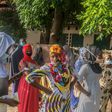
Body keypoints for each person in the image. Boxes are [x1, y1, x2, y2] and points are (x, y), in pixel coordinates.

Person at [26, 44, 78, 112]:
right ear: (50, 57)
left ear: (61, 56)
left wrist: (69, 86)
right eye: (52, 56)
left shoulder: (68, 68)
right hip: (52, 105)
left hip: (65, 105)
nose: (55, 59)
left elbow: (76, 76)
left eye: (57, 56)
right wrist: (44, 89)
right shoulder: (47, 68)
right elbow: (29, 78)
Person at [74, 45, 102, 112]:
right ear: (92, 55)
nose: (101, 57)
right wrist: (86, 93)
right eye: (99, 55)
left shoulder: (99, 67)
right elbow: (76, 83)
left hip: (96, 97)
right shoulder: (86, 67)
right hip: (87, 97)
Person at [17, 44, 40, 112]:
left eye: (30, 50)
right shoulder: (23, 62)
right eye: (27, 50)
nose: (29, 52)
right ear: (24, 51)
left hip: (32, 84)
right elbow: (27, 74)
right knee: (25, 101)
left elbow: (38, 72)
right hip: (27, 84)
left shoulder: (32, 62)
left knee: (31, 102)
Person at [0, 32, 15, 112]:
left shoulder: (2, 65)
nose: (9, 53)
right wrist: (7, 101)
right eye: (7, 50)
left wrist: (11, 80)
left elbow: (1, 87)